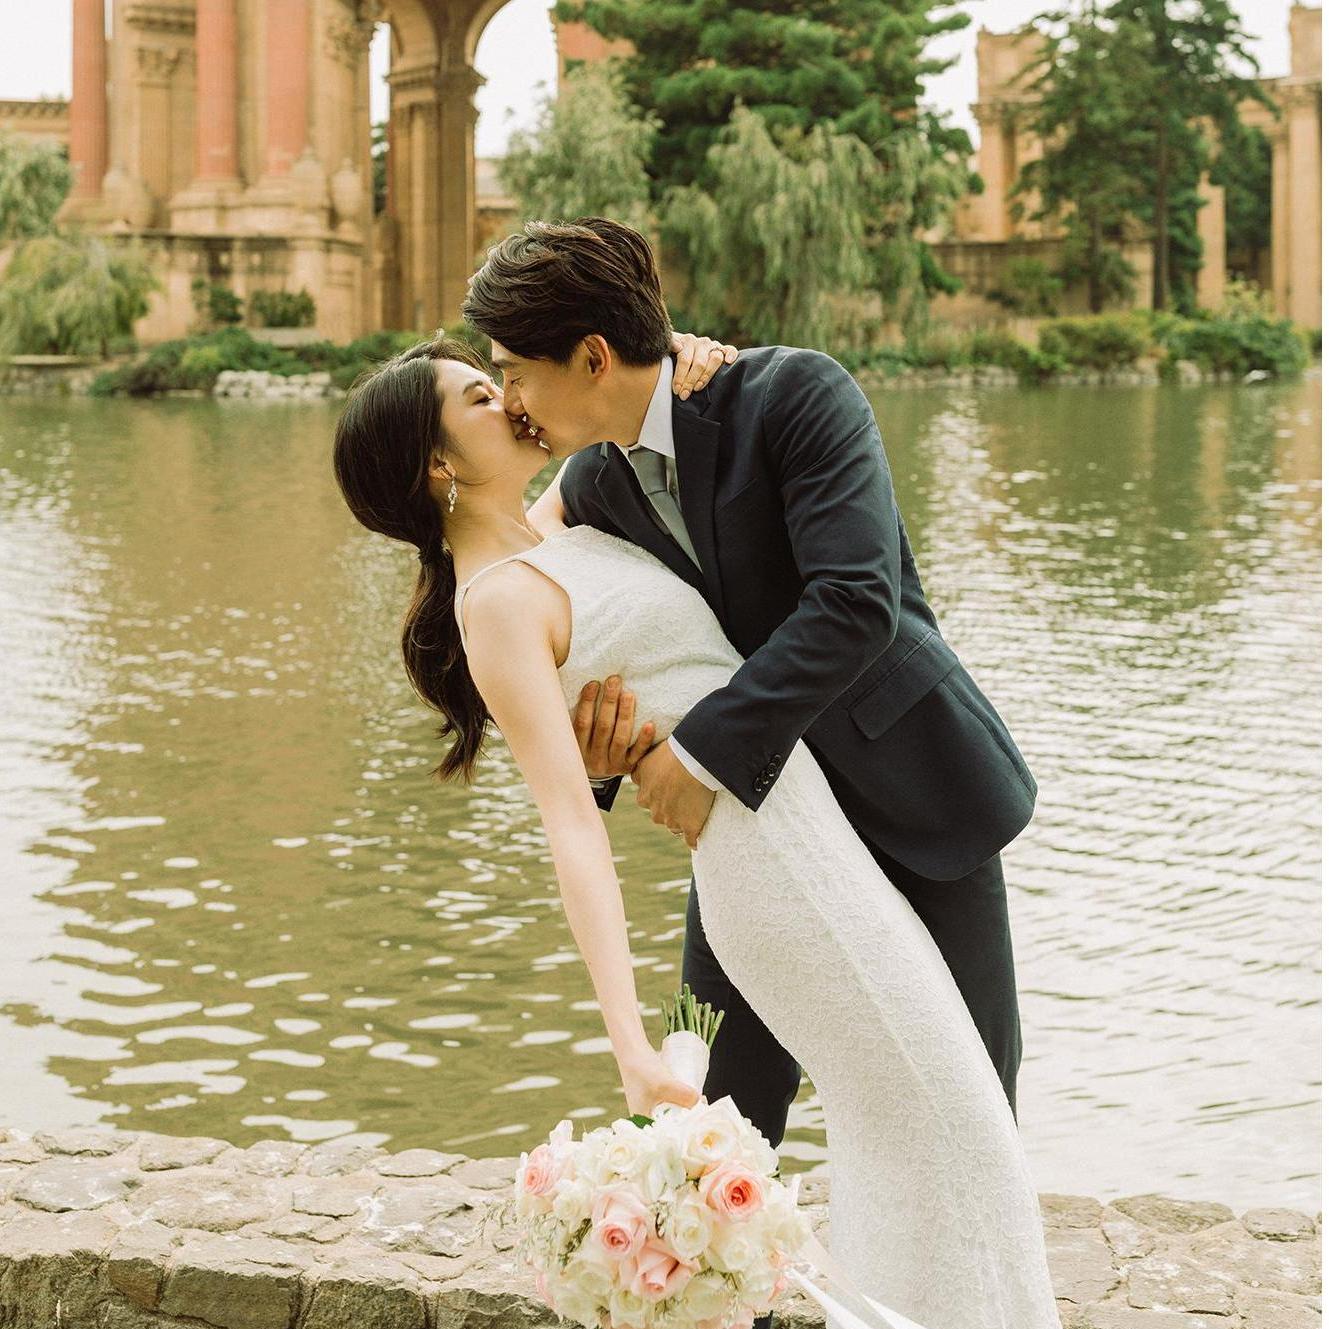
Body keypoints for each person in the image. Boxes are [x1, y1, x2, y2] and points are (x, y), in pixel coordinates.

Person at [331, 246, 1061, 1324]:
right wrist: (606, 753)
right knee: (713, 1145)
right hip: (757, 844)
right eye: (489, 387)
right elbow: (555, 639)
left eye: (512, 374)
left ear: (589, 357)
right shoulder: (593, 482)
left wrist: (691, 751)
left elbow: (854, 603)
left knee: (963, 1114)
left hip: (913, 795)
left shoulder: (792, 395)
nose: (514, 402)